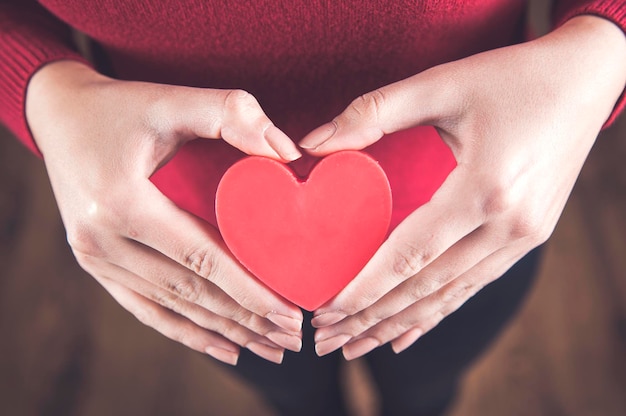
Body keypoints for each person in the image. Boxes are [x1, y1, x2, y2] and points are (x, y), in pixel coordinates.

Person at [1, 1, 625, 415]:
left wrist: (603, 48)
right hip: (205, 257)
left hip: (472, 220)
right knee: (293, 398)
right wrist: (44, 87)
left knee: (428, 388)